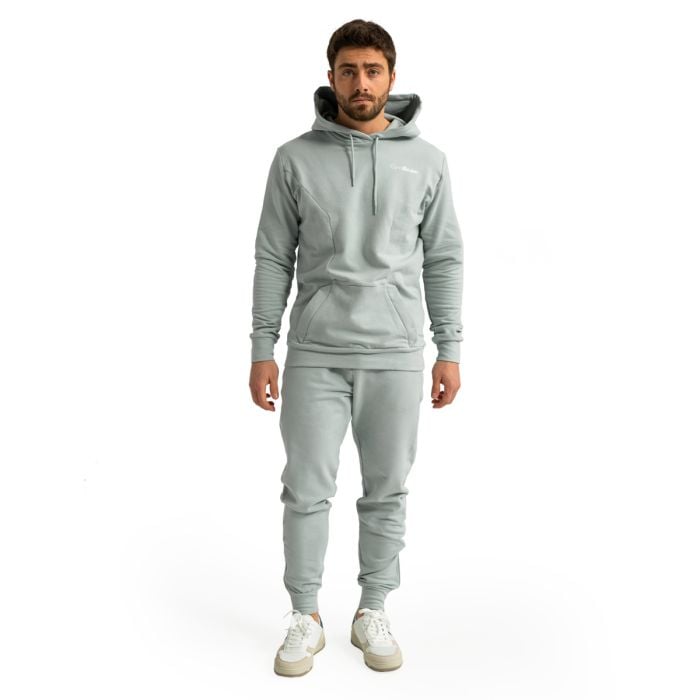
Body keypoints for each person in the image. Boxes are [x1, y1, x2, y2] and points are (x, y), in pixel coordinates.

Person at [248, 19, 464, 676]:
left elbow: (444, 257)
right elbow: (272, 256)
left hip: (396, 352)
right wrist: (263, 347)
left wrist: (449, 348)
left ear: (391, 78)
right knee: (305, 489)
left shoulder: (428, 161)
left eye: (372, 71)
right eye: (348, 71)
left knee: (387, 490)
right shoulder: (294, 158)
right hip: (315, 351)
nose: (360, 83)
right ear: (331, 77)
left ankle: (373, 608)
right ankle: (304, 615)